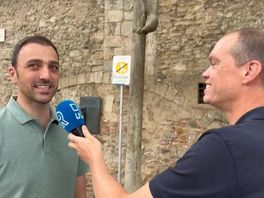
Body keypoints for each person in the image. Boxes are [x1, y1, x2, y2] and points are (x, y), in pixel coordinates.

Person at [68, 27, 264, 198]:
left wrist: (94, 157)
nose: (205, 73)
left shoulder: (225, 147)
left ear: (249, 71)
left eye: (214, 63)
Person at [0, 35, 88, 198]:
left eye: (53, 67)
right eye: (34, 66)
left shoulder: (73, 129)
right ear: (13, 74)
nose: (46, 75)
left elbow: (79, 192)